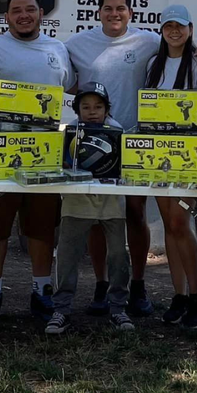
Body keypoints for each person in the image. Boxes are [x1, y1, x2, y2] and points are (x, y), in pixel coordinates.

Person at [65, 0, 197, 317]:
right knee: (96, 218)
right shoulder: (76, 44)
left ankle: (137, 285)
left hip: (139, 144)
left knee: (136, 214)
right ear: (98, 11)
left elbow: (186, 47)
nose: (114, 13)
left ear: (131, 12)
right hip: (96, 144)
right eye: (108, 8)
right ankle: (102, 286)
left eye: (121, 8)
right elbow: (63, 79)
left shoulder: (148, 41)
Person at [0, 0, 76, 325]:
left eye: (30, 9)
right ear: (6, 17)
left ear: (41, 14)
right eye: (16, 10)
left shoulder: (58, 49)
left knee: (41, 230)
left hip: (44, 157)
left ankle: (42, 290)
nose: (24, 15)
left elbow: (72, 86)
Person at [144, 4, 197, 329]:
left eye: (180, 26)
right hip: (161, 158)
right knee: (171, 225)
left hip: (192, 159)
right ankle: (179, 295)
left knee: (179, 222)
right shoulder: (153, 64)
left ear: (190, 28)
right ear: (161, 30)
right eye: (167, 26)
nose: (174, 31)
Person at [45, 82, 134, 334]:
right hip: (76, 202)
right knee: (67, 255)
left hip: (111, 202)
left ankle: (118, 307)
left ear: (107, 109)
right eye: (85, 107)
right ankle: (61, 308)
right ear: (76, 109)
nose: (92, 111)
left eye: (98, 106)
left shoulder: (118, 130)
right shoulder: (70, 131)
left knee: (118, 255)